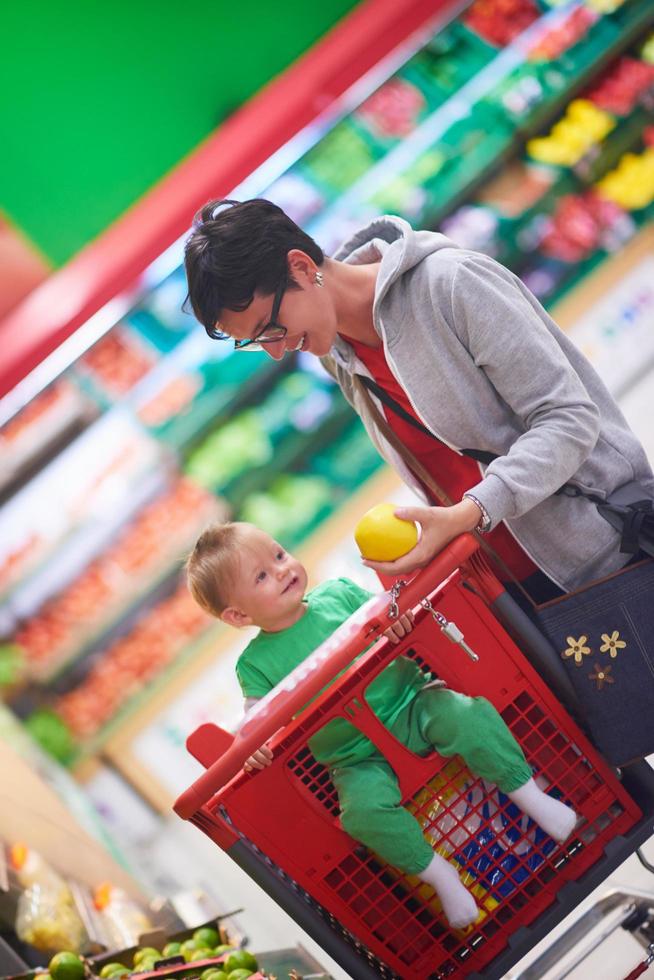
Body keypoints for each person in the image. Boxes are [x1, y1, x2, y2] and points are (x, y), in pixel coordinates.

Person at [183, 199, 654, 600]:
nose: (276, 350)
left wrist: (471, 512)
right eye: (257, 342)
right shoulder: (341, 357)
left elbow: (567, 419)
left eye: (272, 328)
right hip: (513, 586)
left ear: (302, 268)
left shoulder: (450, 283)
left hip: (605, 552)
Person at [185, 521, 578, 930]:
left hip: (413, 702)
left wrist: (397, 622)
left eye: (280, 555)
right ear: (238, 614)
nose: (283, 570)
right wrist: (254, 745)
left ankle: (531, 797)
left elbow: (389, 611)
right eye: (262, 576)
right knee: (361, 815)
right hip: (356, 759)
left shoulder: (339, 593)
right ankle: (440, 875)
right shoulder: (253, 665)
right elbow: (256, 722)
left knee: (468, 715)